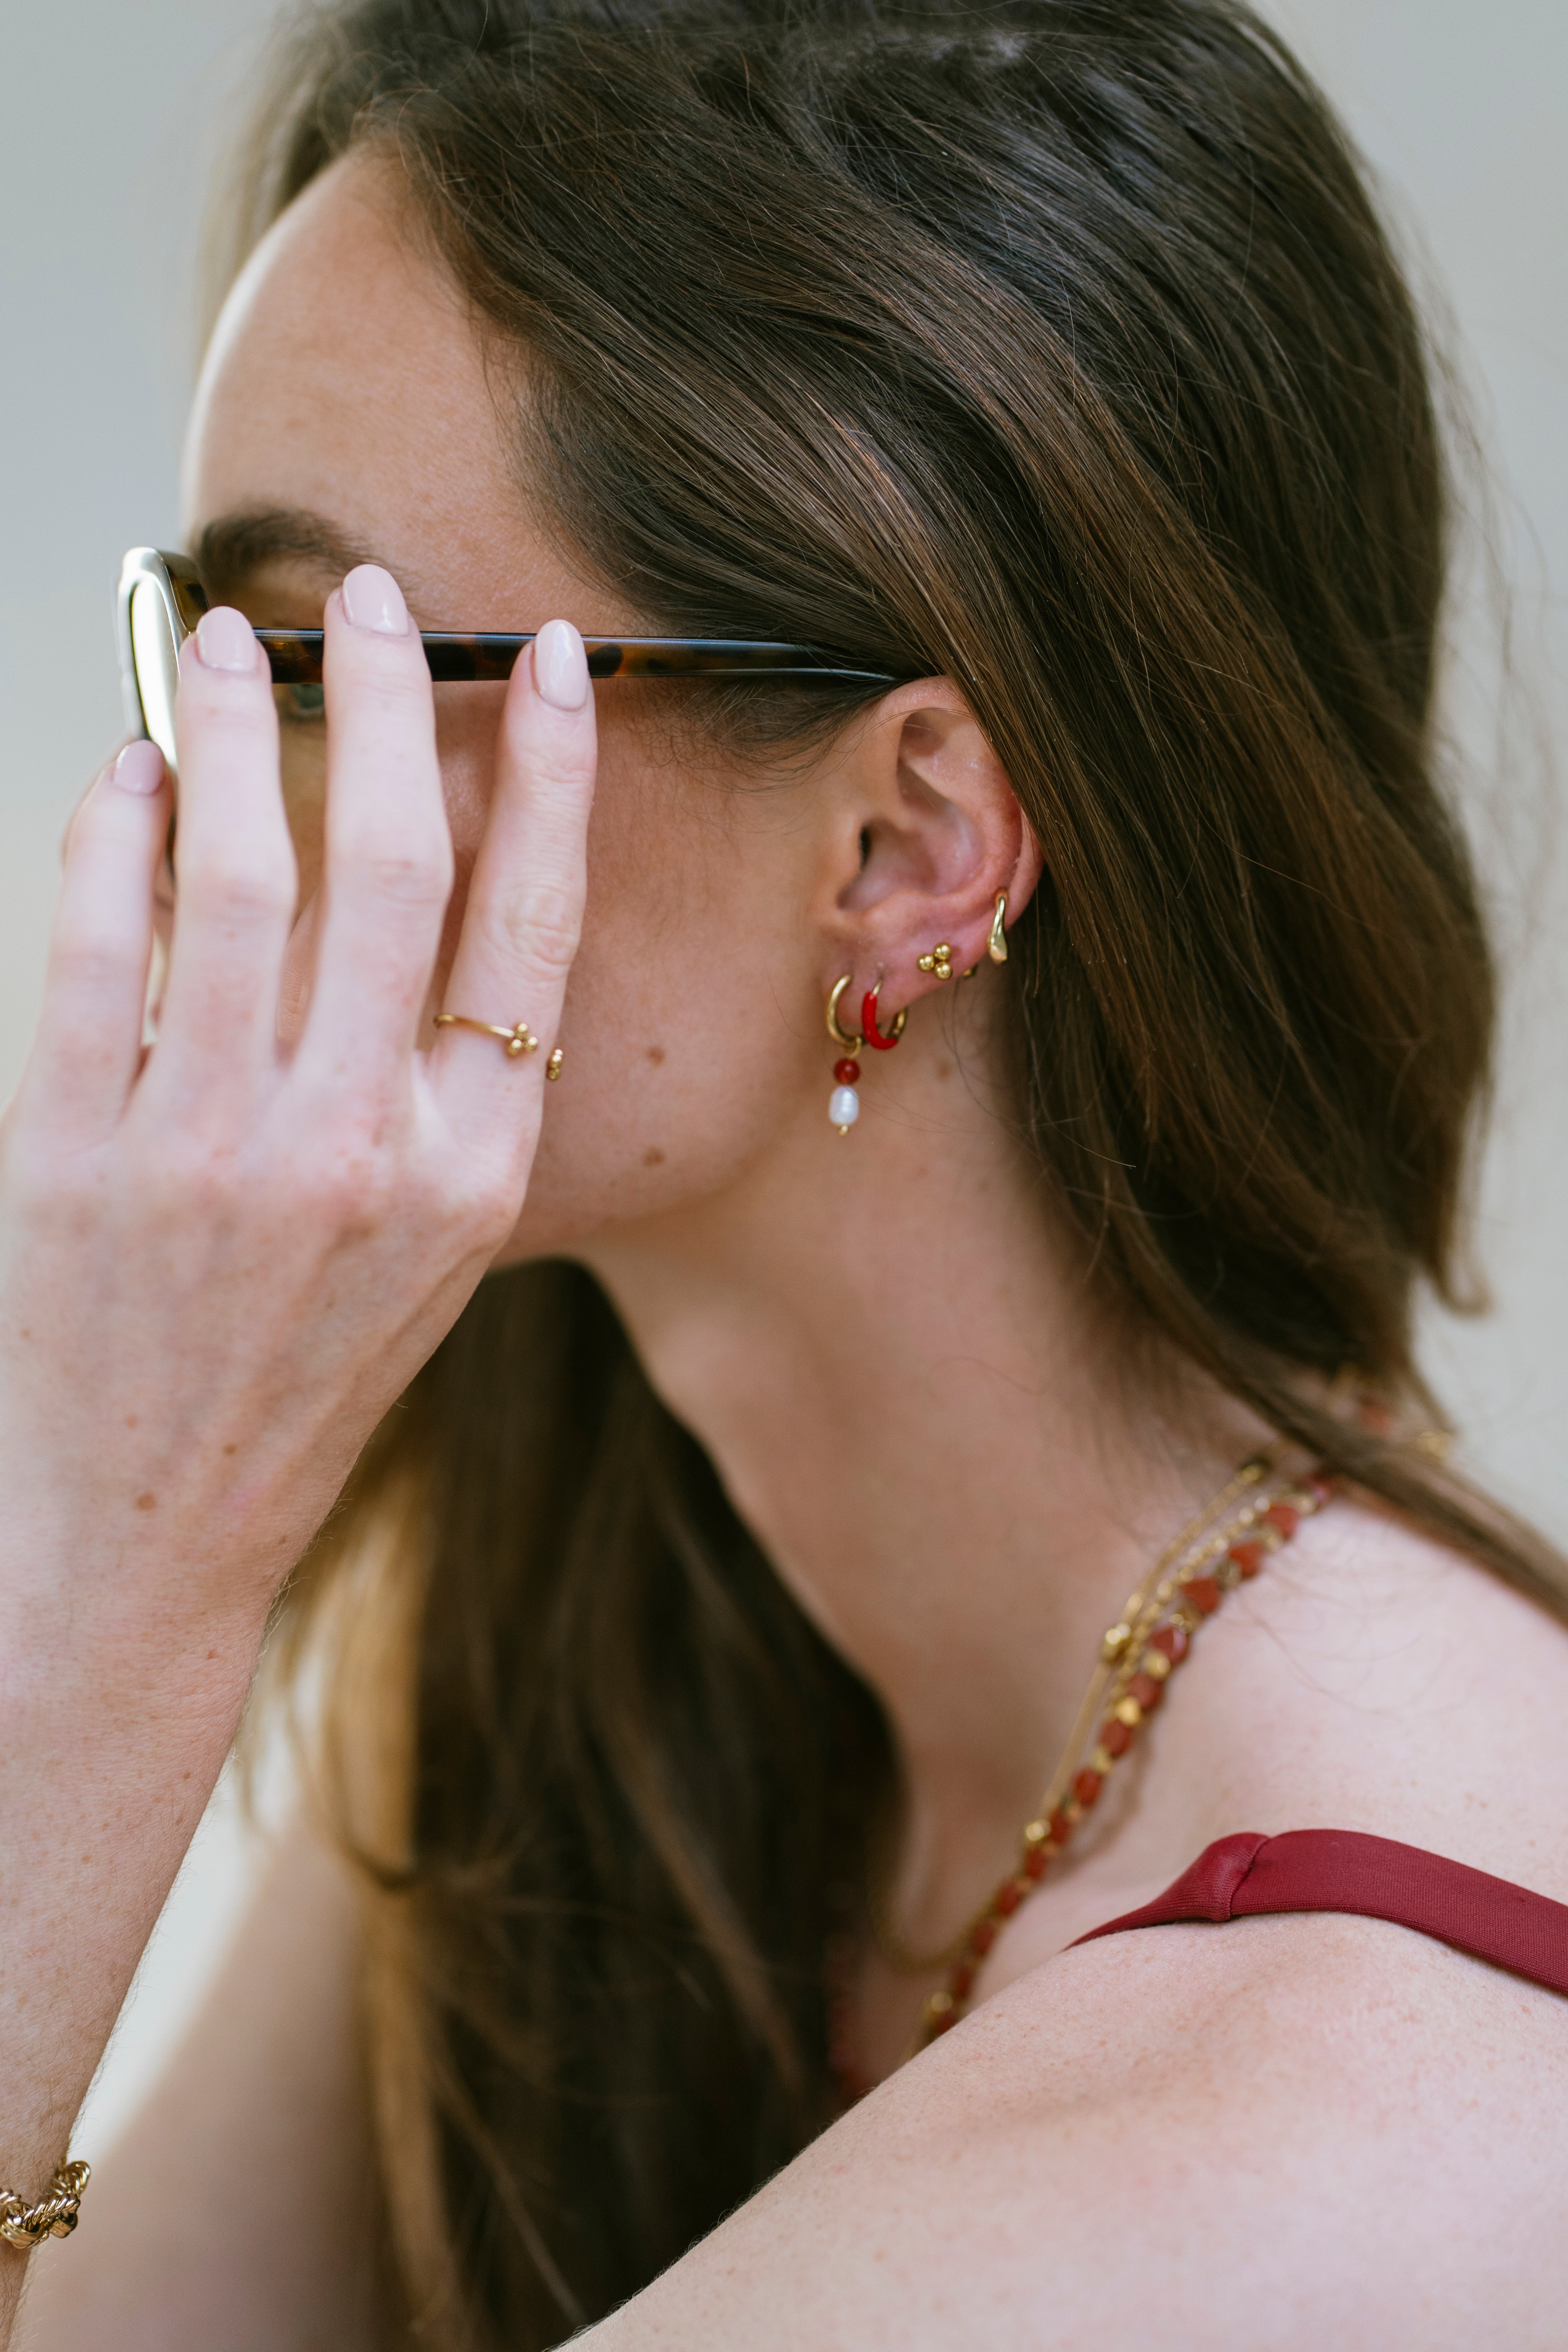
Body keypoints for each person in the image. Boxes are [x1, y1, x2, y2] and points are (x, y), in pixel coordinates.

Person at [6, 0, 1568, 2343]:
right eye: (195, 652)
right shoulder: (607, 1574)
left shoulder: (1319, 2107)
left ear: (905, 848)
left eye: (305, 669)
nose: (191, 816)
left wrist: (104, 1553)